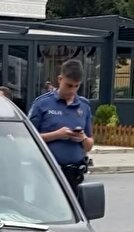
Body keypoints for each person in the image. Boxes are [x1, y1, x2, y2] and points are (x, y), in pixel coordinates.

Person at [28, 60, 94, 197]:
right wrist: (57, 135)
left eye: (77, 86)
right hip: (47, 172)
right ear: (60, 79)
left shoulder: (84, 106)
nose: (72, 90)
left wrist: (82, 138)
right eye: (68, 85)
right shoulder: (42, 103)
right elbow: (29, 137)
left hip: (74, 174)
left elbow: (89, 145)